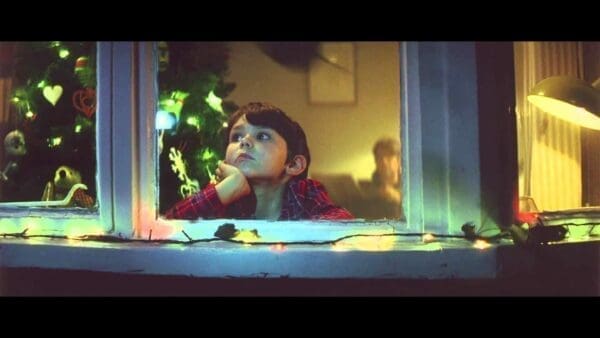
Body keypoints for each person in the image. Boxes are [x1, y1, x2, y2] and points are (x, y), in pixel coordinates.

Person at [164, 102, 353, 220]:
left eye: (262, 136)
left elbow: (342, 225)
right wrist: (223, 191)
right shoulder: (221, 193)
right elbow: (167, 229)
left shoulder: (305, 193)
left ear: (293, 164)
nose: (244, 141)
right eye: (236, 137)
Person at [363, 137, 403, 219]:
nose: (383, 161)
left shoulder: (412, 185)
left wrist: (399, 199)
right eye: (379, 157)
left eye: (388, 157)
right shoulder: (368, 190)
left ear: (399, 161)